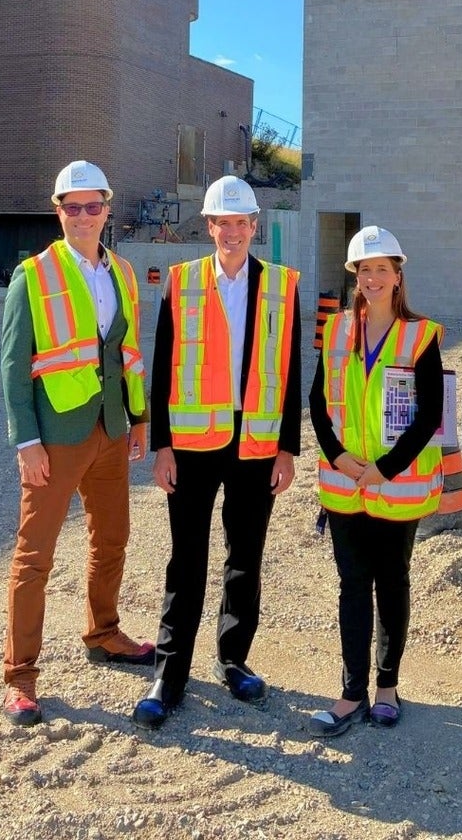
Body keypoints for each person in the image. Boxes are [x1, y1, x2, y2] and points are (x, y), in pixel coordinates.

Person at [132, 175, 302, 730]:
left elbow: (292, 368)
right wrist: (162, 445)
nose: (231, 232)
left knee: (244, 558)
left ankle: (233, 659)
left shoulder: (281, 285)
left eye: (240, 223)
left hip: (255, 444)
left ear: (255, 226)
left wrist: (286, 449)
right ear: (208, 227)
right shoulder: (180, 283)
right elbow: (162, 367)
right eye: (221, 223)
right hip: (194, 443)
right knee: (186, 560)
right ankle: (169, 672)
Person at [0, 160, 154, 727]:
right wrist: (27, 441)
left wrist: (138, 418)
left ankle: (104, 632)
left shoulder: (124, 273)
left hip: (112, 431)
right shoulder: (32, 275)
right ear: (58, 210)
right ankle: (19, 677)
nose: (84, 216)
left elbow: (128, 350)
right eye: (73, 206)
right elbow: (14, 366)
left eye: (94, 206)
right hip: (57, 436)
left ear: (107, 209)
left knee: (111, 538)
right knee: (34, 556)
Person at [307, 226, 444, 736]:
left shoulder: (421, 335)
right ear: (355, 277)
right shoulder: (337, 328)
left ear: (397, 275)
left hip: (394, 483)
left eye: (381, 269)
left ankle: (387, 687)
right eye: (364, 270)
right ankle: (350, 692)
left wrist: (384, 468)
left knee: (392, 584)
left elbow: (430, 413)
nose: (372, 278)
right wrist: (339, 457)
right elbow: (318, 402)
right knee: (351, 587)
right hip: (344, 483)